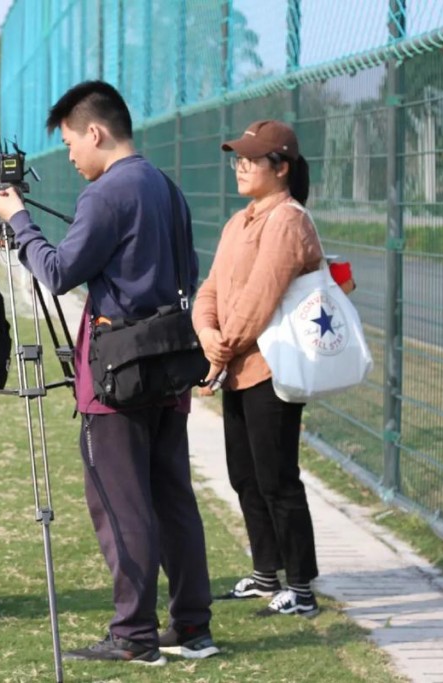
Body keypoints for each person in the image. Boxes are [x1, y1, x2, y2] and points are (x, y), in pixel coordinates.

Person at [0, 81, 216, 665]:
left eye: (69, 143)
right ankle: (193, 627)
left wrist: (17, 220)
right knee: (172, 498)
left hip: (118, 366)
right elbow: (188, 268)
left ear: (94, 132)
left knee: (122, 504)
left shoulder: (107, 192)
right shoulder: (165, 186)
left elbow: (59, 271)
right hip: (168, 360)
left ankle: (134, 636)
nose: (69, 155)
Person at [192, 120, 322, 618]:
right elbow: (212, 290)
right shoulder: (239, 220)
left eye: (252, 158)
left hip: (271, 369)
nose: (241, 166)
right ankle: (266, 573)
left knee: (278, 479)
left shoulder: (288, 220)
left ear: (282, 167)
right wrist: (208, 334)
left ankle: (301, 586)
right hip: (236, 366)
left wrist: (218, 353)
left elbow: (259, 300)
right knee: (244, 475)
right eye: (237, 158)